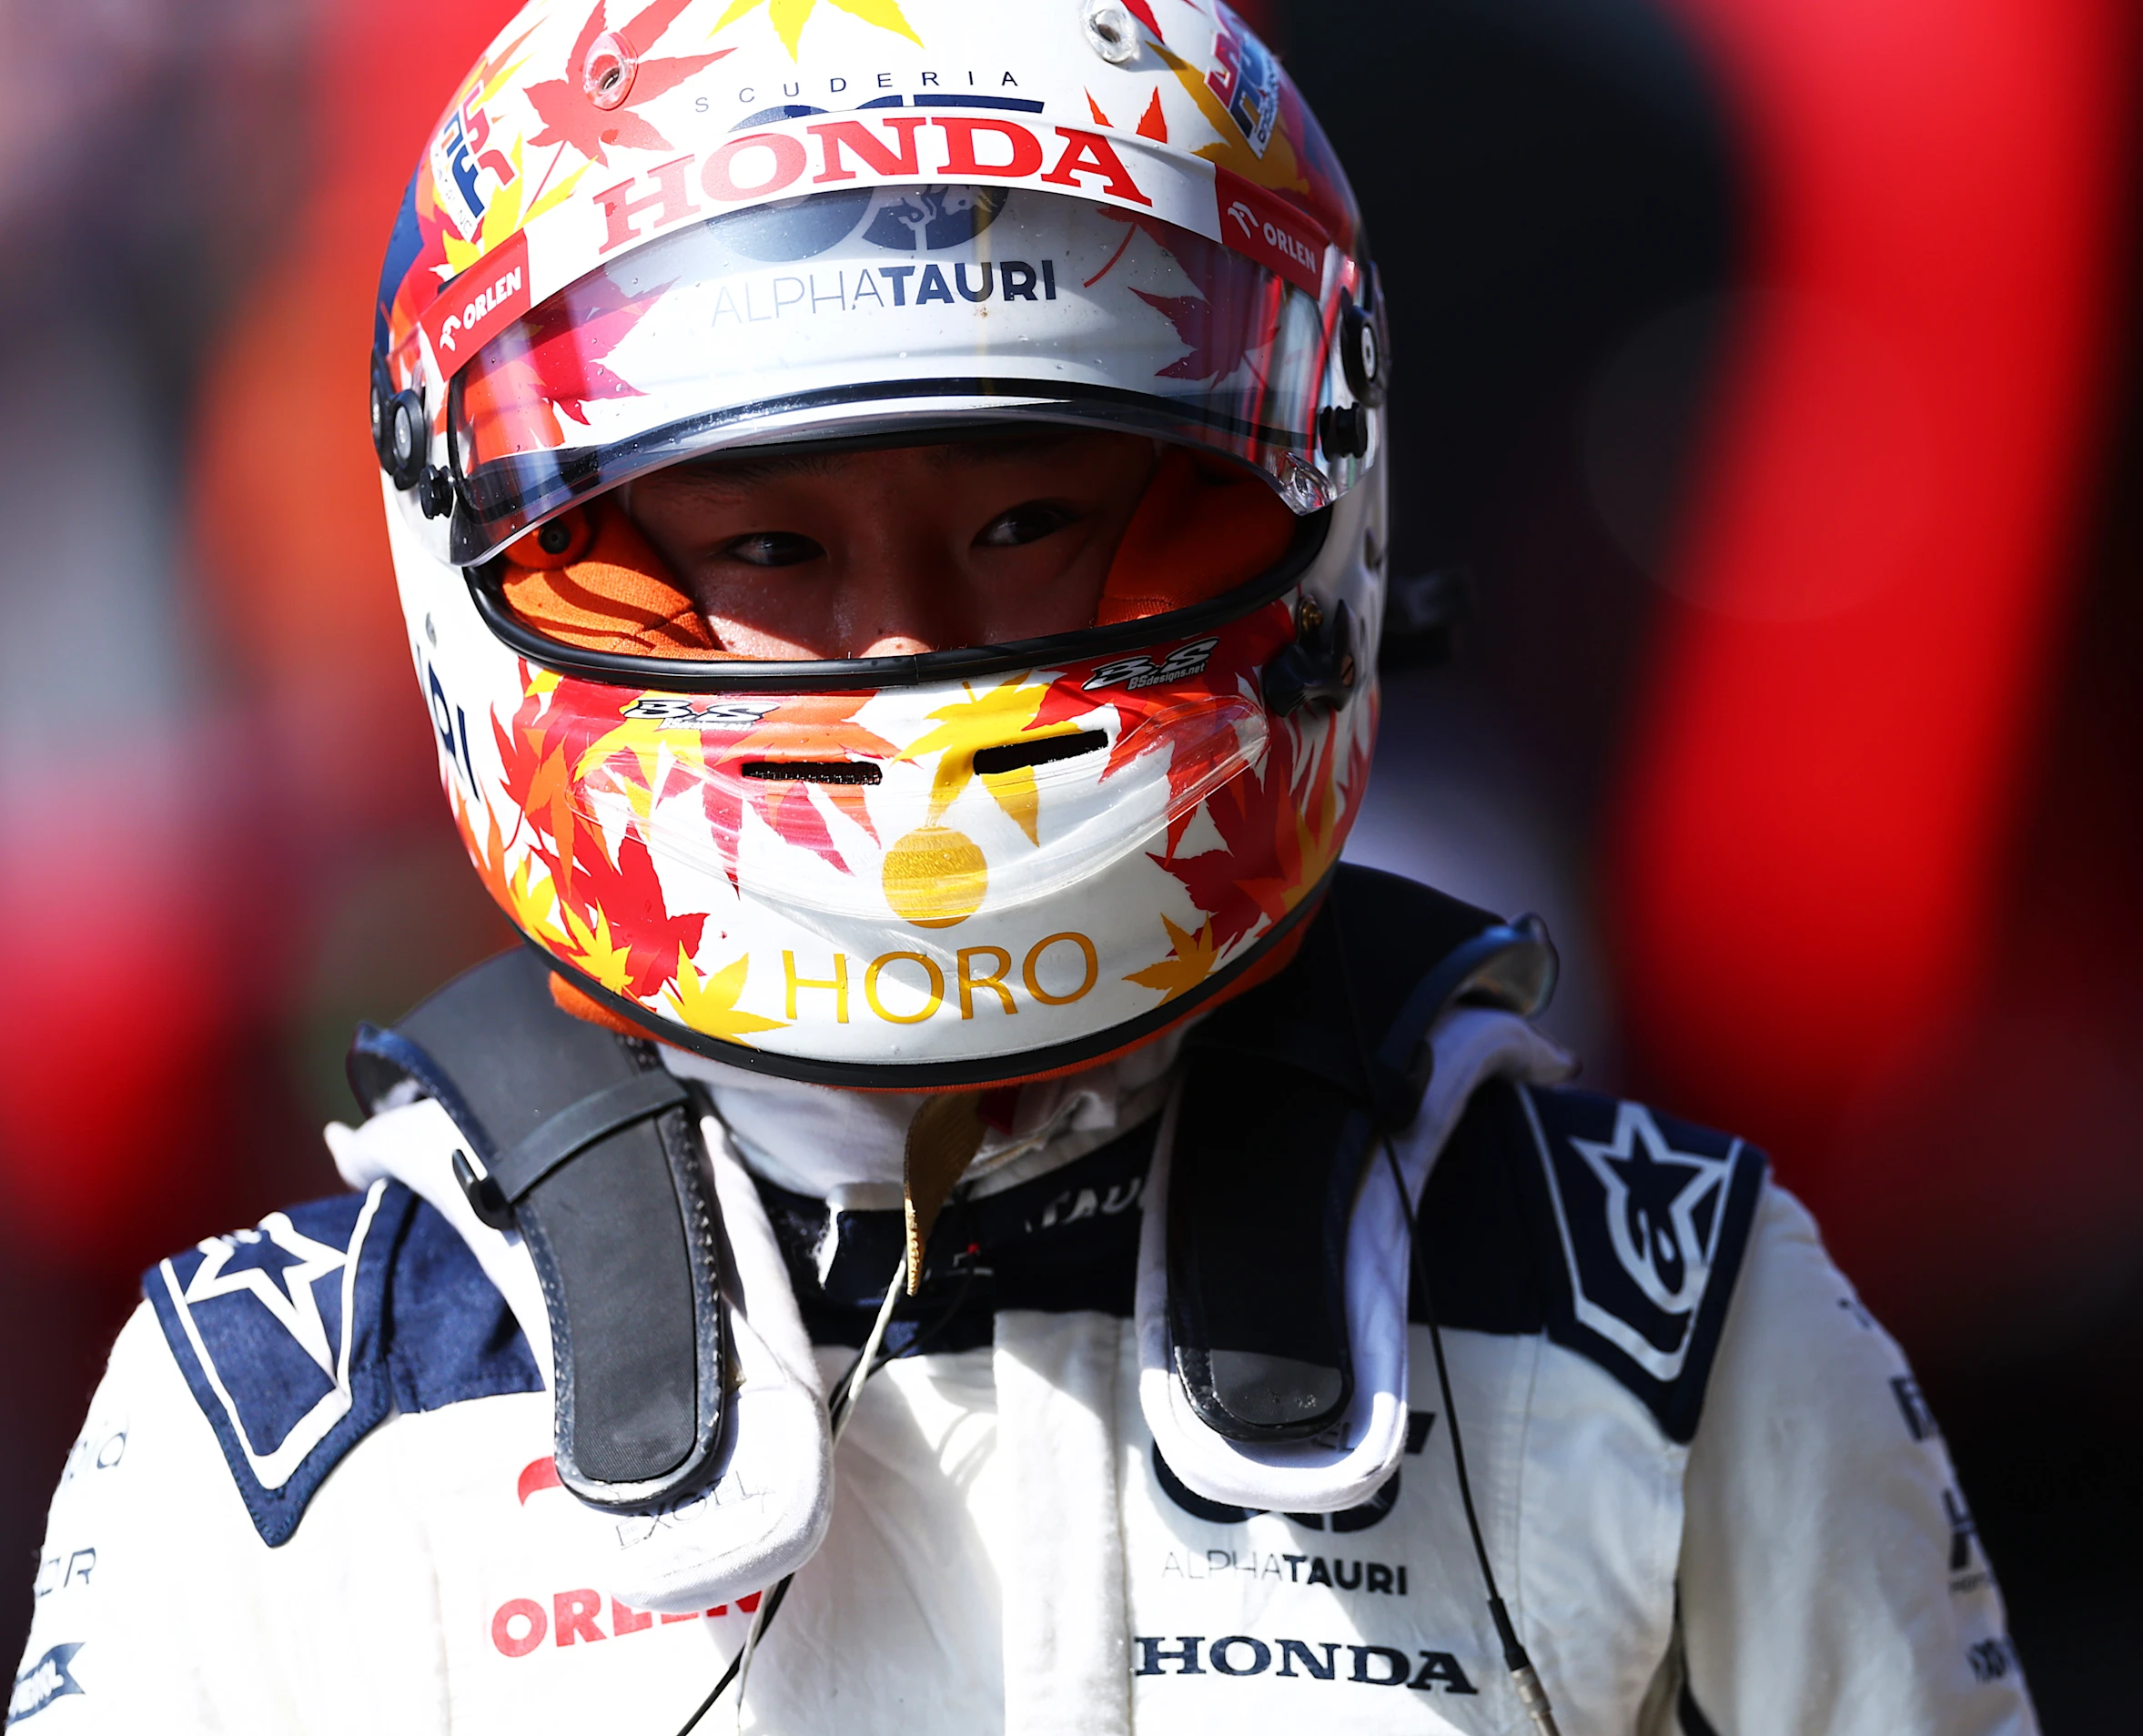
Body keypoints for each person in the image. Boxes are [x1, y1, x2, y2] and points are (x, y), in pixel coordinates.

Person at [12, 1, 2033, 1730]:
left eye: (1029, 517)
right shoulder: (290, 1425)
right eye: (774, 553)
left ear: (1293, 488)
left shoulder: (1651, 1331)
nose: (904, 659)